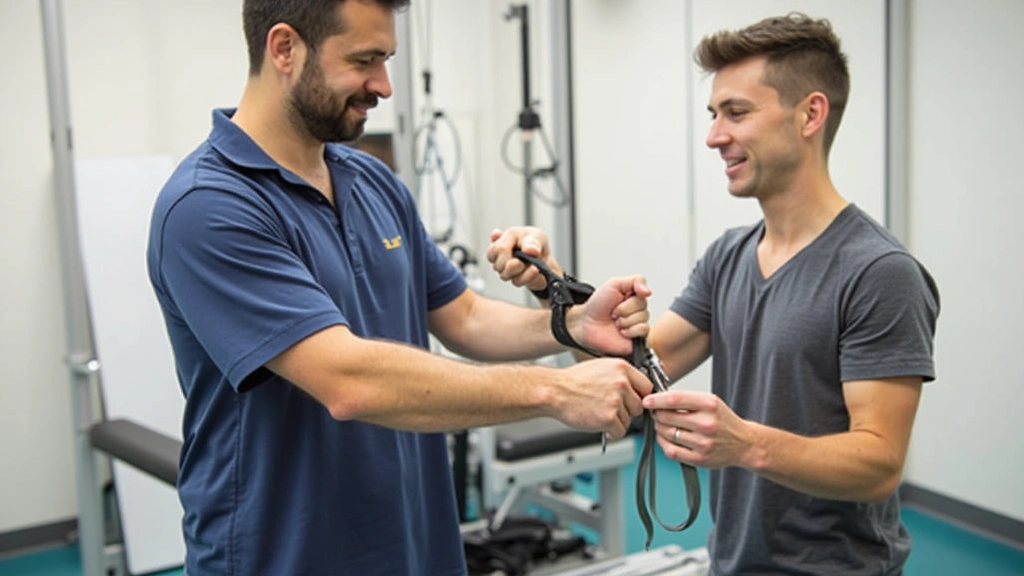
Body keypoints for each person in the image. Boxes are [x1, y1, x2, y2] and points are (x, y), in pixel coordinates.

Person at [145, 1, 654, 574]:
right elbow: (347, 381)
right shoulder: (209, 206)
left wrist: (567, 325)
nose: (382, 85)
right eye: (364, 60)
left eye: (386, 59)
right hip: (285, 552)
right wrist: (557, 392)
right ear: (284, 48)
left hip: (414, 541)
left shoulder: (370, 179)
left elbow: (461, 316)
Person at [490, 13, 940, 576]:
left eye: (737, 112)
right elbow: (627, 372)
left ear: (810, 114)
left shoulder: (879, 271)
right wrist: (552, 292)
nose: (714, 136)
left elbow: (878, 463)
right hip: (733, 562)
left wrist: (744, 444)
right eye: (713, 114)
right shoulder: (729, 255)